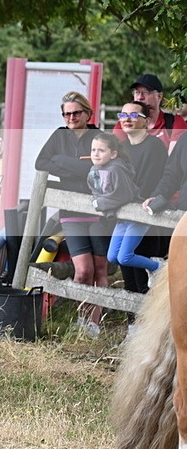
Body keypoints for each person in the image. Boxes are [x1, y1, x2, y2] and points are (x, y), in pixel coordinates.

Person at [35, 91, 107, 338]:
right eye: (67, 113)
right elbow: (40, 162)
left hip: (99, 213)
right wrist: (78, 167)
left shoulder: (100, 136)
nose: (72, 117)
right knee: (83, 270)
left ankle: (94, 323)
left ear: (88, 113)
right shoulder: (59, 135)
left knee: (99, 269)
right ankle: (80, 319)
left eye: (77, 112)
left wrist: (63, 162)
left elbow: (99, 169)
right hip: (71, 211)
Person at [87, 132, 164, 294]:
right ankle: (152, 267)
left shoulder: (116, 169)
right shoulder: (95, 170)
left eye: (101, 150)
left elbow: (122, 195)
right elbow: (97, 190)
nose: (95, 153)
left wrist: (99, 203)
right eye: (93, 150)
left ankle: (158, 266)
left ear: (113, 154)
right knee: (112, 257)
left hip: (136, 216)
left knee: (124, 257)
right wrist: (100, 201)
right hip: (122, 218)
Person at [115, 102, 168, 319]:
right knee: (126, 272)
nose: (127, 118)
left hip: (145, 219)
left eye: (133, 114)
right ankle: (131, 326)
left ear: (146, 120)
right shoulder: (120, 149)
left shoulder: (154, 147)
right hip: (124, 216)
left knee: (142, 281)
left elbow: (147, 184)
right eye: (123, 114)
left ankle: (146, 328)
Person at [112, 73, 187, 152]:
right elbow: (115, 155)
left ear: (159, 96)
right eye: (137, 92)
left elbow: (175, 159)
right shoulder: (124, 125)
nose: (140, 97)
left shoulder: (175, 122)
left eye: (145, 92)